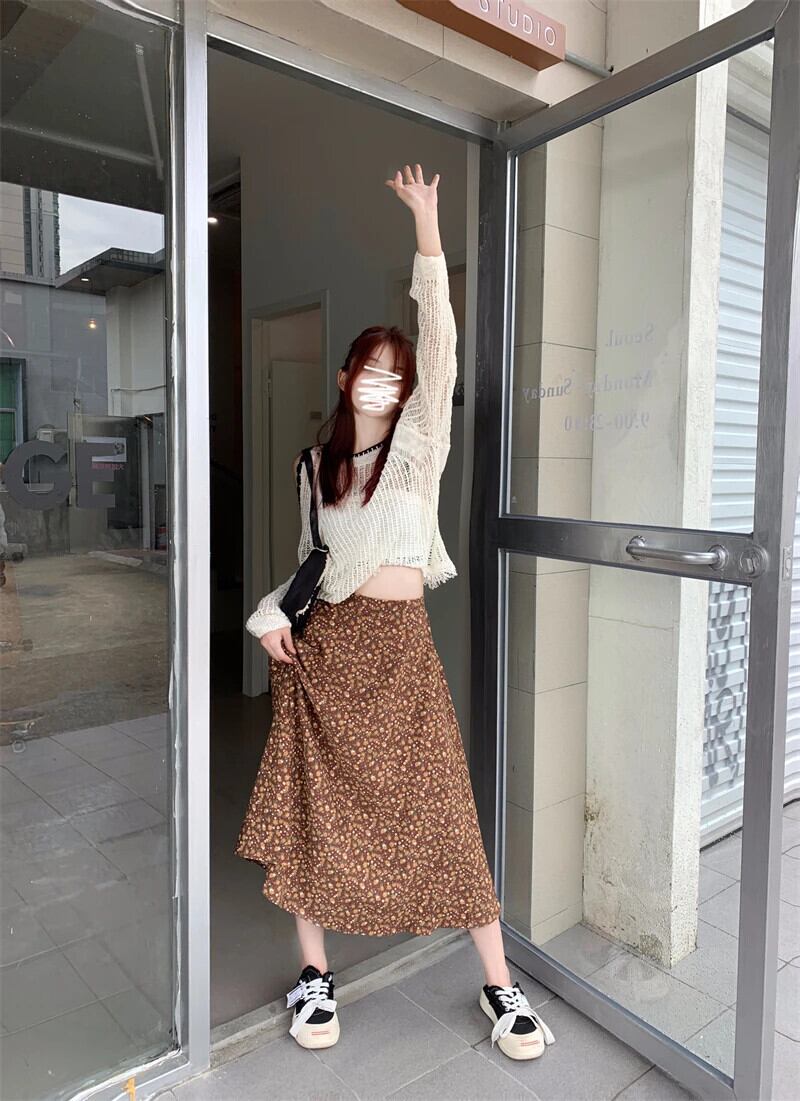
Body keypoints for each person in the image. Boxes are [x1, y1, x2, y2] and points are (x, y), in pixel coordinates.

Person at [235, 164, 555, 1062]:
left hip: (403, 655)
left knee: (446, 811)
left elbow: (440, 336)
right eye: (369, 371)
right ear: (345, 378)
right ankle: (315, 974)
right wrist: (268, 615)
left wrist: (427, 226)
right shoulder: (312, 467)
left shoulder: (419, 447)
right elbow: (313, 566)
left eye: (396, 376)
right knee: (314, 815)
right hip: (329, 654)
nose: (382, 383)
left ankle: (499, 984)